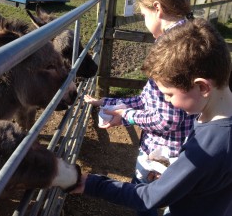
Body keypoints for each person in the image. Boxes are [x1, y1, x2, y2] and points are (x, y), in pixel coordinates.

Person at [73, 18, 232, 216]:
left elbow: (150, 197)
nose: (168, 101)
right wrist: (177, 176)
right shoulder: (215, 117)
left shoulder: (209, 147)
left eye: (169, 94)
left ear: (202, 87)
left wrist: (91, 183)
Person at [85, 0, 195, 215]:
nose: (144, 21)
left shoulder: (170, 51)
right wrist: (108, 102)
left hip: (162, 153)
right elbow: (148, 99)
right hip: (184, 146)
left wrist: (127, 116)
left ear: (158, 9)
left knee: (144, 198)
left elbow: (166, 119)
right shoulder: (188, 38)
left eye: (144, 14)